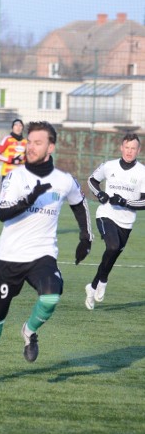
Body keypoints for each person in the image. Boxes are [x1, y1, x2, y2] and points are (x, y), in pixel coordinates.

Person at [0, 121, 92, 384]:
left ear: (51, 146)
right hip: (9, 256)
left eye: (38, 142)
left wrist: (86, 237)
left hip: (42, 254)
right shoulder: (16, 176)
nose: (31, 146)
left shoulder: (63, 180)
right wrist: (29, 199)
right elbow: (3, 214)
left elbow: (79, 202)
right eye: (30, 141)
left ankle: (29, 330)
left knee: (51, 296)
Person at [84, 132, 145, 309]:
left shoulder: (142, 172)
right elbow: (91, 180)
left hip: (126, 222)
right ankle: (102, 281)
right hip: (106, 214)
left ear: (138, 150)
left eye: (133, 148)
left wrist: (125, 202)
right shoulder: (109, 166)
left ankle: (92, 286)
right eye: (127, 147)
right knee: (112, 247)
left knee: (112, 256)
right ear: (121, 148)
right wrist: (100, 194)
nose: (129, 151)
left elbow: (144, 201)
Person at [0, 119, 28, 230]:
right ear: (12, 127)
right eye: (16, 125)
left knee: (20, 197)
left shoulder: (25, 142)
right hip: (7, 173)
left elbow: (28, 158)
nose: (18, 127)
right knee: (3, 197)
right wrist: (10, 159)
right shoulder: (7, 139)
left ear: (22, 128)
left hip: (20, 175)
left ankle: (15, 222)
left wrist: (24, 160)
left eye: (20, 125)